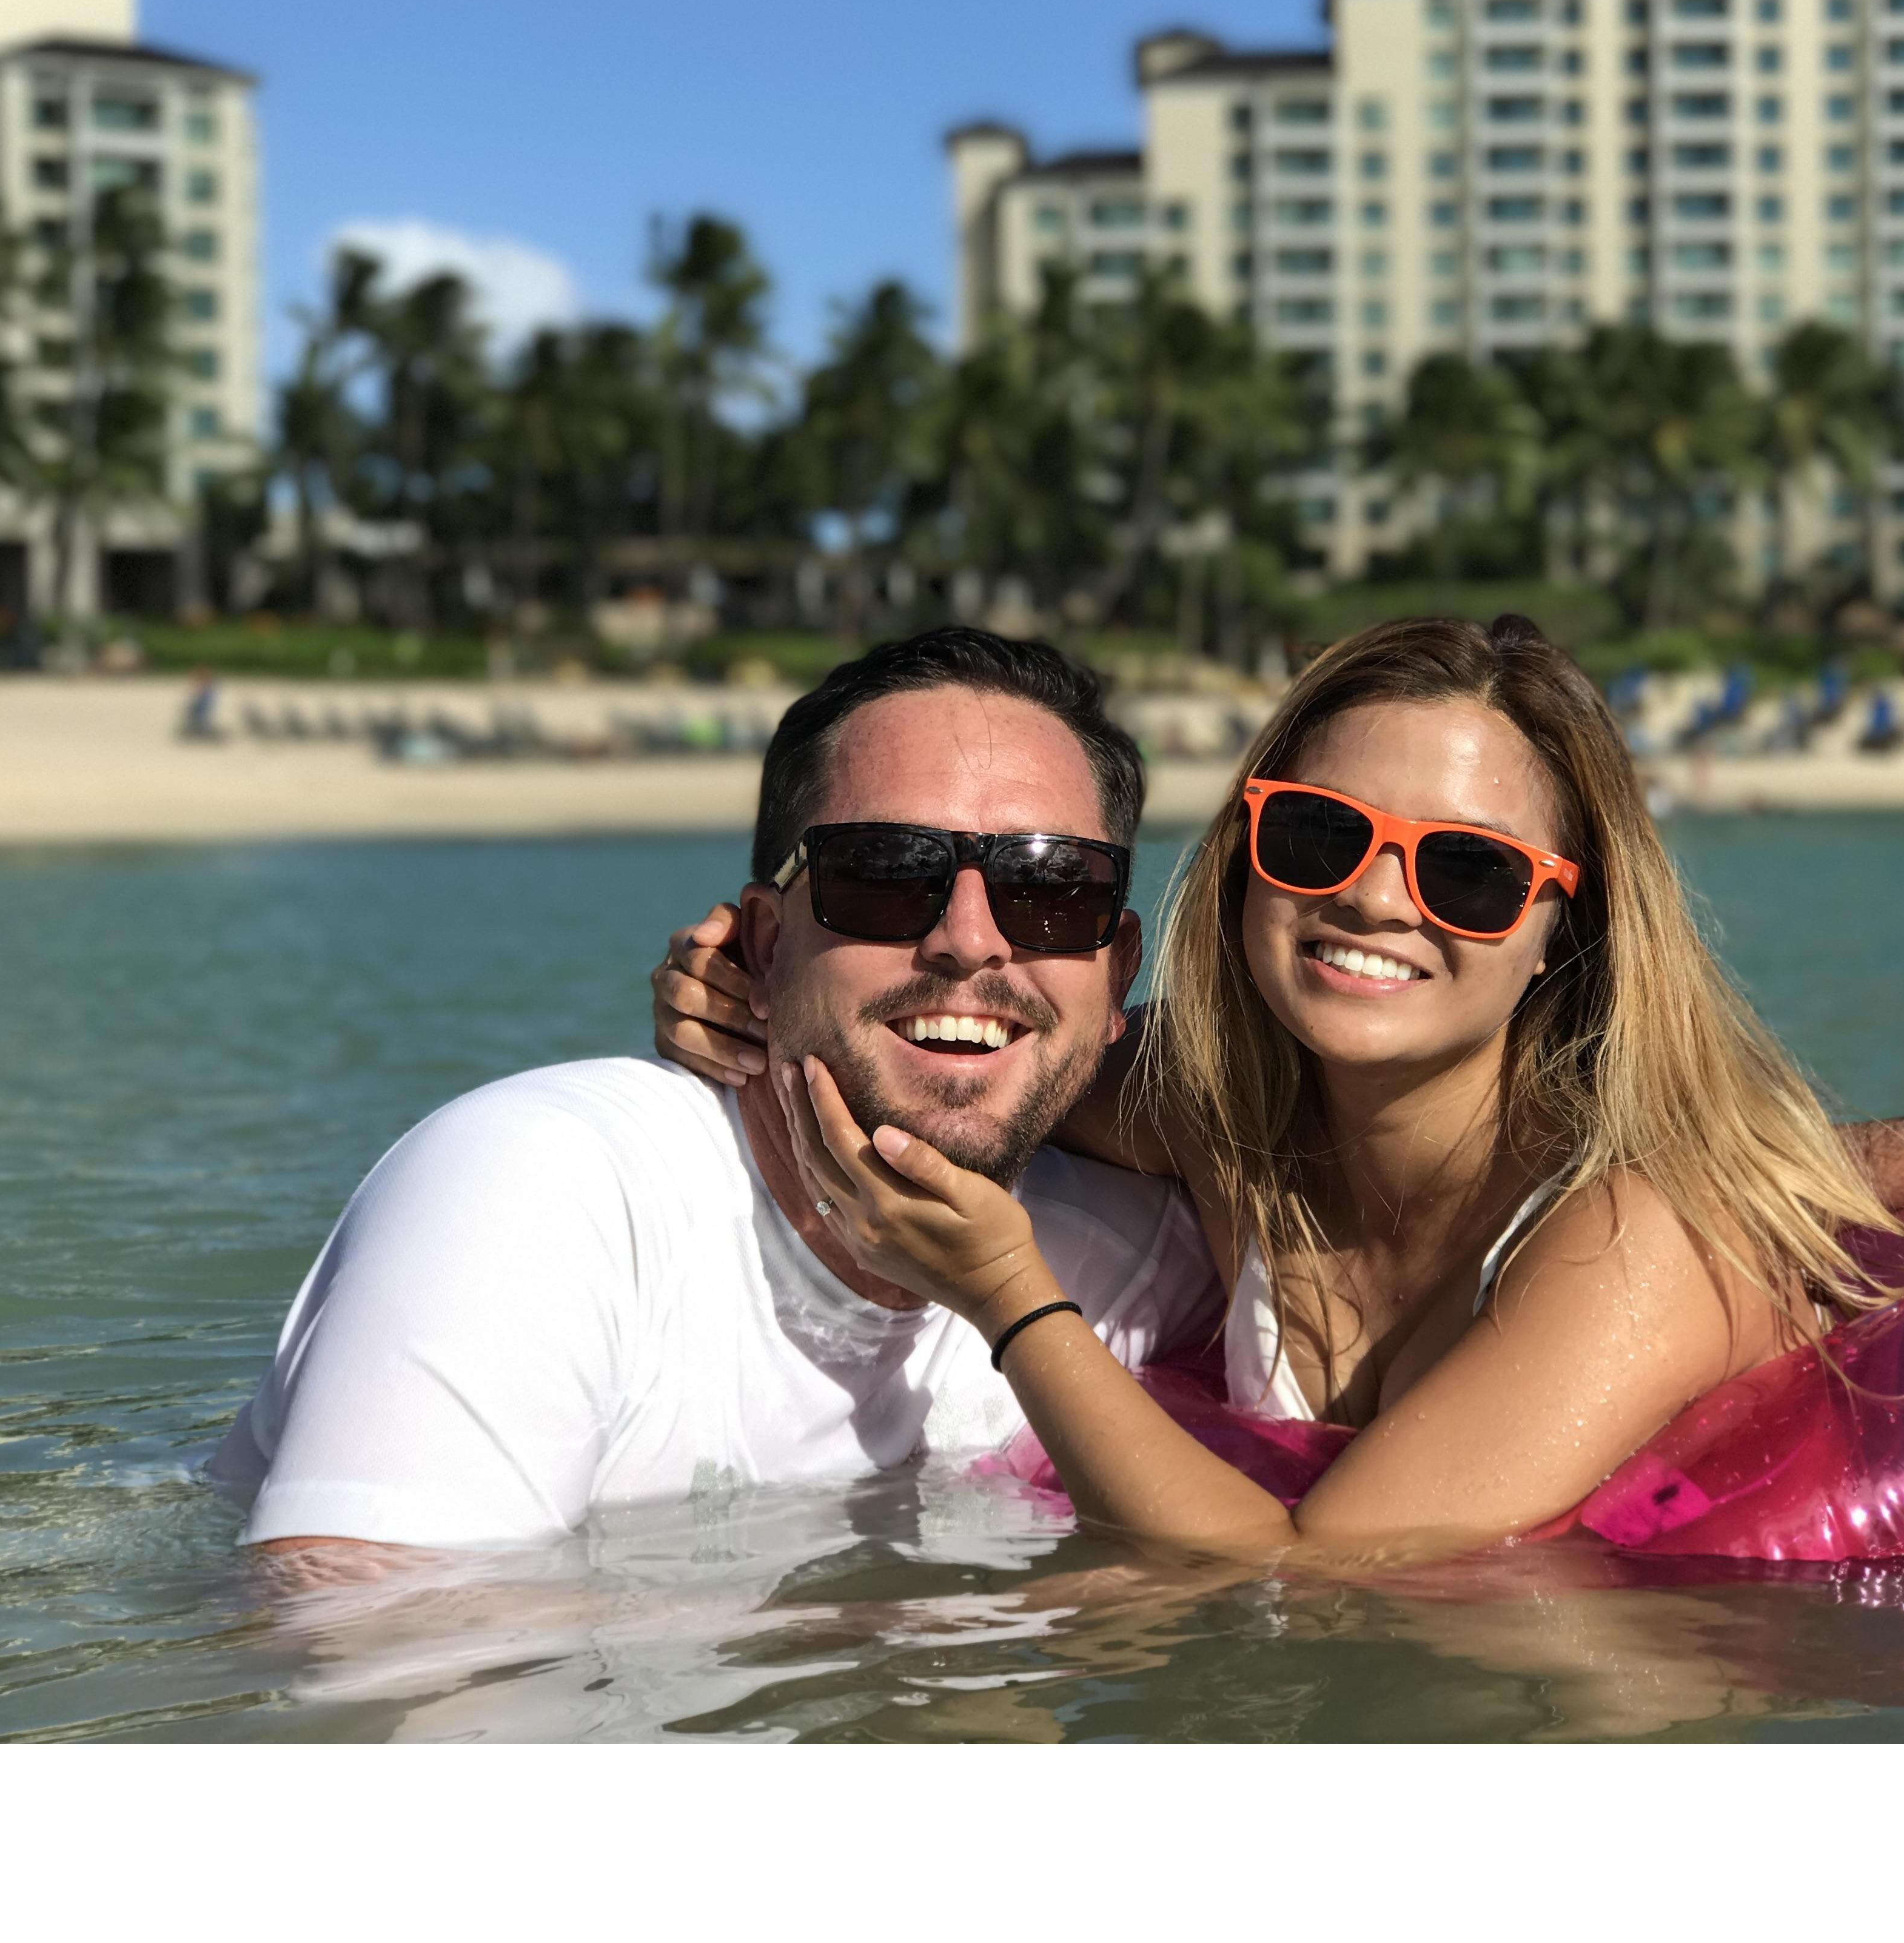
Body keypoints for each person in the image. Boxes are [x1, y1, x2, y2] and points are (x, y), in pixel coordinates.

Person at [655, 615, 1904, 1567]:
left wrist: (1013, 1299)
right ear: (1244, 867)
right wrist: (771, 973)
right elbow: (985, 1045)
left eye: (1467, 873)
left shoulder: (1631, 1247)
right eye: (1317, 836)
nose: (1375, 900)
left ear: (1555, 930)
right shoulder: (1224, 1117)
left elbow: (1320, 1582)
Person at [211, 629, 1226, 1571]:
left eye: (1054, 890)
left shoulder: (1150, 1258)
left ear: (1117, 966)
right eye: (884, 875)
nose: (970, 939)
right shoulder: (549, 1191)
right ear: (768, 945)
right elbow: (362, 1659)